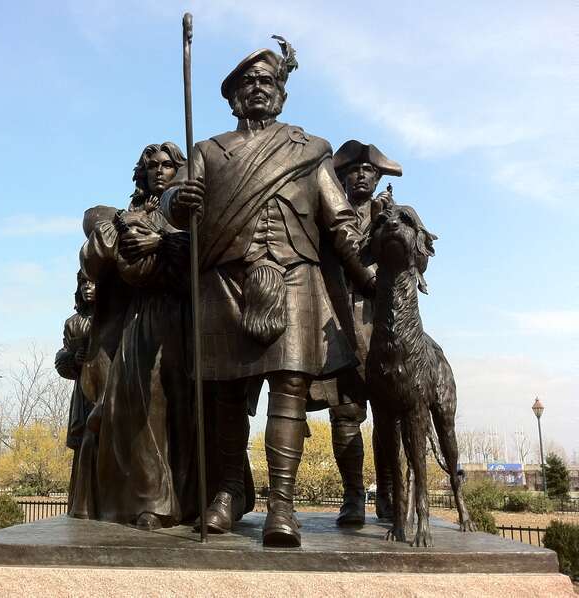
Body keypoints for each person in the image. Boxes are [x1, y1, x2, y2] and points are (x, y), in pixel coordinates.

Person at [161, 38, 376, 546]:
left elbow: (339, 218)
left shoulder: (309, 150)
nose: (258, 88)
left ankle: (283, 505)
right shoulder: (208, 151)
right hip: (225, 279)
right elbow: (173, 202)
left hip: (294, 274)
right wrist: (179, 197)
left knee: (290, 390)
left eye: (267, 82)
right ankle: (228, 493)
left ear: (280, 95)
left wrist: (369, 266)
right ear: (233, 98)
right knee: (226, 394)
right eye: (247, 83)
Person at [71, 142, 198, 529]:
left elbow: (204, 252)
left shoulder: (186, 210)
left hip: (186, 314)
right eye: (151, 166)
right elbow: (91, 268)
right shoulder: (126, 215)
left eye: (167, 165)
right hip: (141, 317)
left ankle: (193, 499)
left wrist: (167, 241)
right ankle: (152, 502)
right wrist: (107, 238)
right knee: (144, 407)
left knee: (188, 410)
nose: (158, 171)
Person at [309, 140, 402, 525]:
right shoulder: (326, 217)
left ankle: (390, 494)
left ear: (378, 177)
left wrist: (388, 227)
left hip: (382, 329)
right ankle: (352, 496)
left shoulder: (394, 215)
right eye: (352, 172)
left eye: (367, 171)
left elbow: (417, 265)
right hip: (340, 330)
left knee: (388, 416)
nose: (360, 176)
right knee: (345, 415)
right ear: (342, 179)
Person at [55, 271, 95, 513]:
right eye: (83, 283)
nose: (88, 288)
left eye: (93, 283)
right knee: (84, 446)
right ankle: (81, 504)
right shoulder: (73, 323)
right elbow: (62, 357)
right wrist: (73, 359)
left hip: (110, 391)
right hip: (84, 394)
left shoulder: (113, 317)